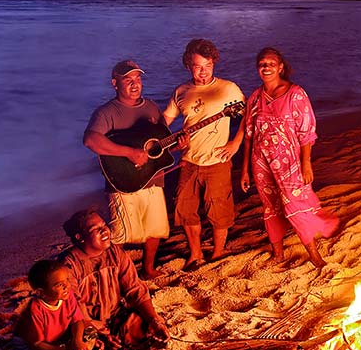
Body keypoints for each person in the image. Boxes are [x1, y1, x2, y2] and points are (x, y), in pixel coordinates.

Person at [240, 46, 340, 268]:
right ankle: (278, 254)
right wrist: (245, 169)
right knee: (270, 206)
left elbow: (307, 133)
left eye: (271, 63)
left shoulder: (295, 94)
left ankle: (314, 255)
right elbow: (249, 135)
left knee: (294, 204)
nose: (266, 67)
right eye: (262, 64)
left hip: (290, 161)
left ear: (281, 67)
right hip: (261, 161)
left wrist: (306, 163)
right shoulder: (255, 97)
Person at [82, 59, 169, 279]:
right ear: (115, 83)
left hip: (153, 177)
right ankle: (117, 275)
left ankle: (147, 269)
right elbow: (91, 141)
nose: (134, 84)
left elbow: (161, 142)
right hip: (121, 180)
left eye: (137, 78)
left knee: (155, 228)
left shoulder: (150, 107)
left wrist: (180, 144)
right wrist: (128, 152)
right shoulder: (106, 112)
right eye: (127, 79)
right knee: (121, 232)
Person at [162, 38, 244, 270]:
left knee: (218, 209)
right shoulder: (181, 91)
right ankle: (195, 253)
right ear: (188, 64)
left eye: (208, 66)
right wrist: (171, 144)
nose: (204, 72)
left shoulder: (228, 88)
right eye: (198, 66)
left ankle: (218, 253)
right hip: (188, 161)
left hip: (217, 160)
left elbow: (249, 116)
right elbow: (162, 124)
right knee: (185, 209)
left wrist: (235, 144)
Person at [59, 208, 169, 350]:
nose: (104, 231)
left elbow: (134, 288)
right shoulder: (69, 265)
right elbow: (73, 306)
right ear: (80, 237)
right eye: (95, 229)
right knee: (84, 346)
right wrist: (98, 331)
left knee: (151, 328)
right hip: (85, 323)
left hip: (115, 316)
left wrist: (154, 320)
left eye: (104, 226)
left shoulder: (115, 252)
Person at [13, 258, 96, 350]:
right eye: (59, 285)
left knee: (89, 331)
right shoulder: (35, 311)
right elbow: (36, 344)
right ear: (41, 292)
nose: (66, 286)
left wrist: (77, 341)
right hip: (38, 345)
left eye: (67, 280)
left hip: (58, 336)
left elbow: (77, 320)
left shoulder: (67, 295)